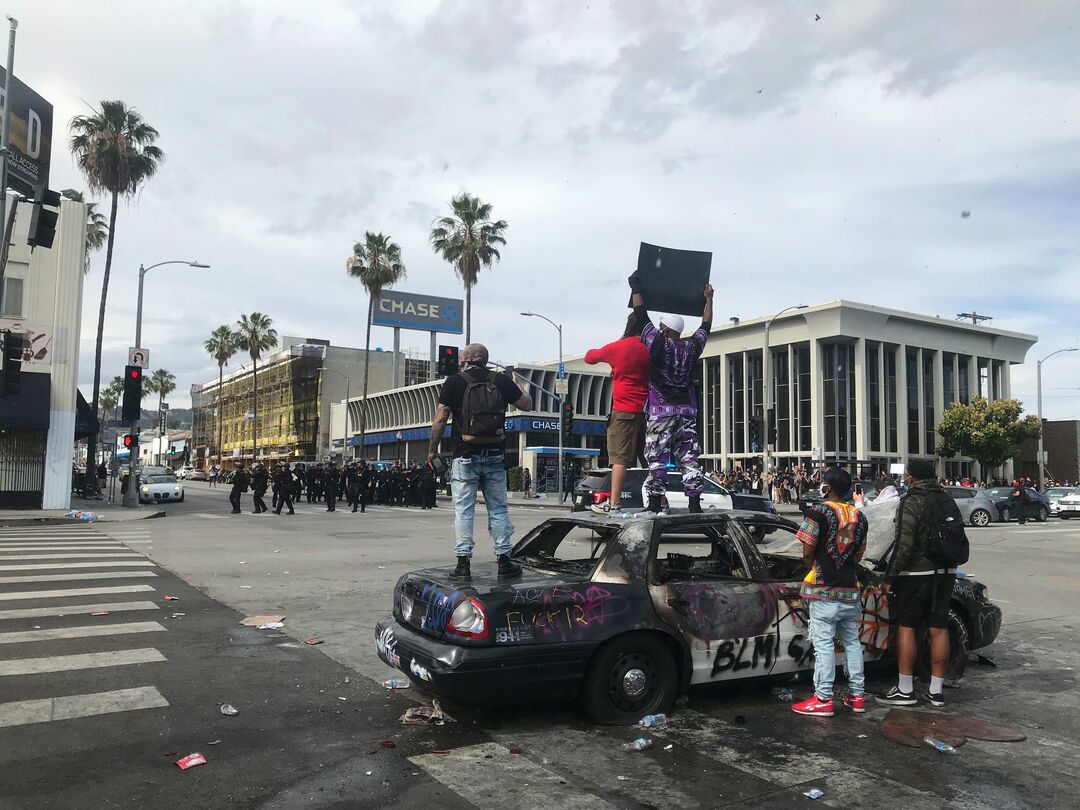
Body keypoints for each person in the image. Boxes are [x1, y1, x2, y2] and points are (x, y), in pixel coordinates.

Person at [427, 343, 532, 581]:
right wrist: (520, 385)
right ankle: (504, 560)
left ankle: (463, 564)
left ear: (467, 358)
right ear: (485, 359)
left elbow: (440, 420)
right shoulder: (501, 380)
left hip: (464, 454)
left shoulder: (454, 382)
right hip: (495, 454)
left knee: (464, 511)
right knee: (498, 510)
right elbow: (526, 403)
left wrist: (433, 451)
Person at [628, 274, 713, 513]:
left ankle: (655, 503)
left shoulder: (657, 343)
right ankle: (694, 503)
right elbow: (705, 326)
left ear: (665, 330)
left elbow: (641, 316)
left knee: (657, 456)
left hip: (660, 411)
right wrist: (709, 300)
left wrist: (636, 287)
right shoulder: (692, 347)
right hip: (687, 411)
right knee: (689, 457)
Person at [790, 467, 869, 717]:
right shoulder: (860, 517)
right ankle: (857, 696)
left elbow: (806, 550)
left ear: (828, 487)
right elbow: (858, 555)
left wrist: (813, 564)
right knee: (852, 643)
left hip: (823, 589)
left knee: (823, 644)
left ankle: (823, 697)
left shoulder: (818, 512)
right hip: (849, 589)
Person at [878, 459, 955, 708]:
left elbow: (904, 544)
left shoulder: (911, 501)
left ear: (911, 477)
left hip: (916, 574)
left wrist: (889, 577)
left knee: (907, 627)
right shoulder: (946, 499)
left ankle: (905, 689)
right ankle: (936, 691)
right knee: (939, 628)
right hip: (946, 571)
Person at [584, 312, 651, 514]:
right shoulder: (650, 349)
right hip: (647, 409)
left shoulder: (618, 347)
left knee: (619, 459)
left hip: (623, 411)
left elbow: (589, 357)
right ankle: (658, 499)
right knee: (650, 457)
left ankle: (613, 504)